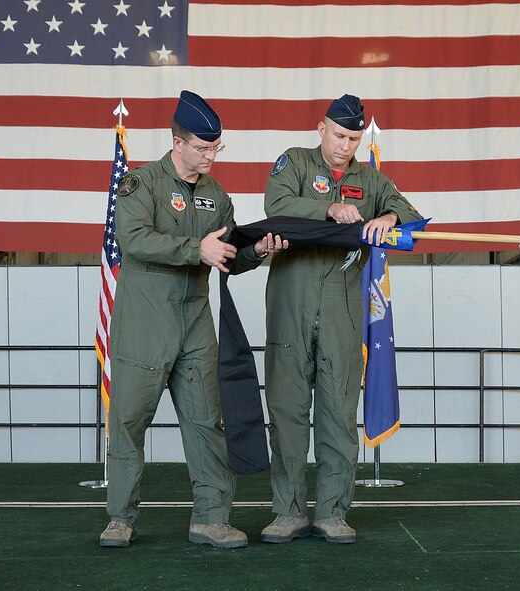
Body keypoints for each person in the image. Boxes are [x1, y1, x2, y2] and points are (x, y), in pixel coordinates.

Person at [100, 90, 288, 549]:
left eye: (215, 148)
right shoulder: (140, 186)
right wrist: (193, 249)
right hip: (145, 325)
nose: (209, 156)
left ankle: (211, 518)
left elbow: (226, 257)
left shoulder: (217, 197)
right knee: (128, 423)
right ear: (177, 141)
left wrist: (256, 252)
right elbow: (134, 240)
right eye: (203, 148)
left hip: (195, 327)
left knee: (207, 423)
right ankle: (120, 519)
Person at [260, 94, 423, 544]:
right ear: (320, 129)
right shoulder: (293, 163)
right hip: (291, 305)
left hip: (343, 313)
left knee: (337, 413)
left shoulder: (370, 178)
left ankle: (332, 512)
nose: (345, 145)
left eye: (353, 138)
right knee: (288, 412)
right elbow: (278, 205)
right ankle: (288, 512)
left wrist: (387, 216)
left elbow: (411, 216)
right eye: (338, 135)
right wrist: (329, 209)